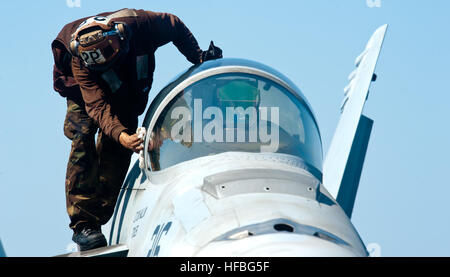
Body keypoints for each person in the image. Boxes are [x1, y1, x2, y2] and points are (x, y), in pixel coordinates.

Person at [51, 8, 222, 251]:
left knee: (122, 135)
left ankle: (101, 212)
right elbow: (97, 106)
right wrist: (121, 135)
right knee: (83, 133)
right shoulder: (80, 61)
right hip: (84, 89)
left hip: (127, 79)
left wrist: (197, 56)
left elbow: (174, 25)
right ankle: (84, 224)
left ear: (120, 38)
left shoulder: (143, 24)